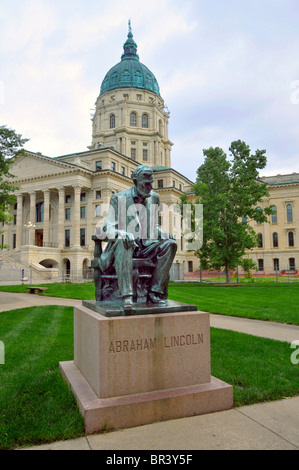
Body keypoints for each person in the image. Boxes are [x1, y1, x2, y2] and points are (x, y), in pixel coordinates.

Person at [99, 165, 177, 312]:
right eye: (146, 184)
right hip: (125, 246)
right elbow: (107, 228)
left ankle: (154, 292)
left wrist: (163, 234)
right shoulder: (118, 198)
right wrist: (121, 233)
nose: (150, 187)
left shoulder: (154, 198)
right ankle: (127, 296)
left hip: (146, 246)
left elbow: (153, 226)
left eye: (151, 183)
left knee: (170, 244)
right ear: (135, 181)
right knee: (124, 242)